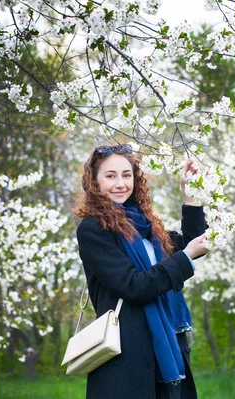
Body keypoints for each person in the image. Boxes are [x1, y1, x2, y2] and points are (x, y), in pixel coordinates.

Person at [74, 143, 210, 399]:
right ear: (95, 181)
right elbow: (134, 285)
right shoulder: (93, 230)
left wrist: (190, 197)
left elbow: (194, 242)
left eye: (127, 175)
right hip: (127, 355)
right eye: (110, 175)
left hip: (167, 343)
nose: (120, 184)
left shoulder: (147, 225)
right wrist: (186, 256)